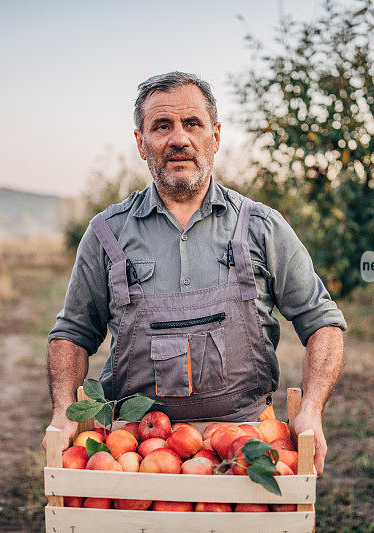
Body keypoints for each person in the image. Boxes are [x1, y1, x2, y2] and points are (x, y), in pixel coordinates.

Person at [43, 71, 346, 476]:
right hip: (130, 453)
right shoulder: (106, 234)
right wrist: (64, 411)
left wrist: (310, 410)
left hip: (247, 448)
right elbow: (72, 333)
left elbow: (323, 321)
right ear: (140, 142)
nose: (179, 139)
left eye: (193, 124)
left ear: (215, 136)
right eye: (162, 126)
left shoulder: (262, 227)